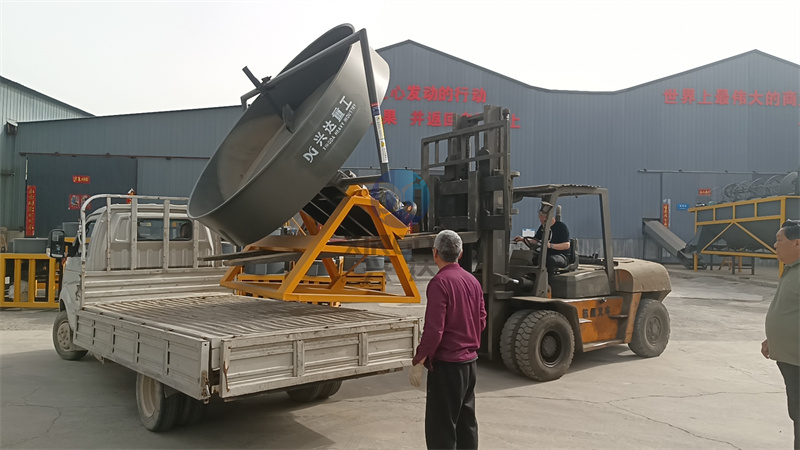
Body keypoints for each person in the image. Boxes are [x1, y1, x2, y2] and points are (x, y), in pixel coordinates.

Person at [411, 230, 486, 449]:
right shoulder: (473, 281)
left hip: (447, 366)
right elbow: (481, 320)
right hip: (469, 365)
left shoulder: (440, 283)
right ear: (460, 254)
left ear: (435, 253)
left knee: (441, 427)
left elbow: (434, 330)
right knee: (466, 423)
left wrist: (420, 359)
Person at [761, 219, 800, 449]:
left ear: (797, 243)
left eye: (779, 240)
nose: (775, 245)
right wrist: (773, 340)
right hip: (790, 358)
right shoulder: (792, 269)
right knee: (797, 412)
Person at [514, 201, 571, 280]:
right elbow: (536, 240)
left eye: (542, 217)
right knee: (532, 258)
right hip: (546, 254)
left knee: (550, 260)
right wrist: (523, 239)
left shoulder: (561, 227)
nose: (540, 220)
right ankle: (532, 279)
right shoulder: (543, 227)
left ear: (549, 217)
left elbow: (567, 245)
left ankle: (547, 282)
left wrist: (550, 245)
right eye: (539, 217)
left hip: (561, 256)